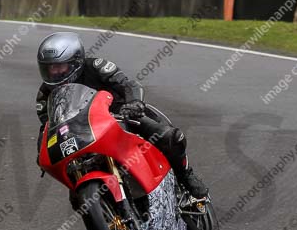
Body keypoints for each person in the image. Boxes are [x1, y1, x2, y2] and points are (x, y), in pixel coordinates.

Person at [35, 31, 208, 199]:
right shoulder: (45, 95)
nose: (55, 73)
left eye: (59, 66)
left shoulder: (96, 67)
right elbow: (48, 127)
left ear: (76, 61)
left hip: (121, 116)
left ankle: (186, 176)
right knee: (76, 197)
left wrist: (134, 103)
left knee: (169, 137)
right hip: (83, 135)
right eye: (49, 68)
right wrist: (43, 151)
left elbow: (129, 85)